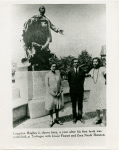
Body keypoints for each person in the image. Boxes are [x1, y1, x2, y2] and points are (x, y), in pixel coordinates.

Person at [88, 57, 106, 126]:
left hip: (102, 90)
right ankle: (98, 118)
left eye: (96, 62)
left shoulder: (103, 69)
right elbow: (89, 75)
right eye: (93, 62)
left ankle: (104, 119)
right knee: (97, 104)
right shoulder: (92, 70)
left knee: (103, 104)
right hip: (95, 90)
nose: (94, 63)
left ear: (99, 62)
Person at [45, 63, 63, 127]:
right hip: (51, 94)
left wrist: (60, 92)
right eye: (53, 66)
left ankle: (57, 118)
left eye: (55, 66)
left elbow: (61, 84)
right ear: (50, 67)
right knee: (51, 107)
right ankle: (51, 120)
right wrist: (53, 94)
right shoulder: (47, 75)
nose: (54, 68)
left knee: (57, 107)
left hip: (57, 94)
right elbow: (47, 86)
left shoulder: (58, 75)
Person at [68, 59, 85, 124]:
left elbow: (83, 80)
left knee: (80, 104)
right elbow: (69, 80)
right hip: (73, 91)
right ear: (73, 63)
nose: (76, 63)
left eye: (77, 62)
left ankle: (80, 117)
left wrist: (80, 87)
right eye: (75, 62)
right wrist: (72, 87)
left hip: (80, 90)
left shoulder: (82, 71)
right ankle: (74, 117)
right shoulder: (70, 71)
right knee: (74, 104)